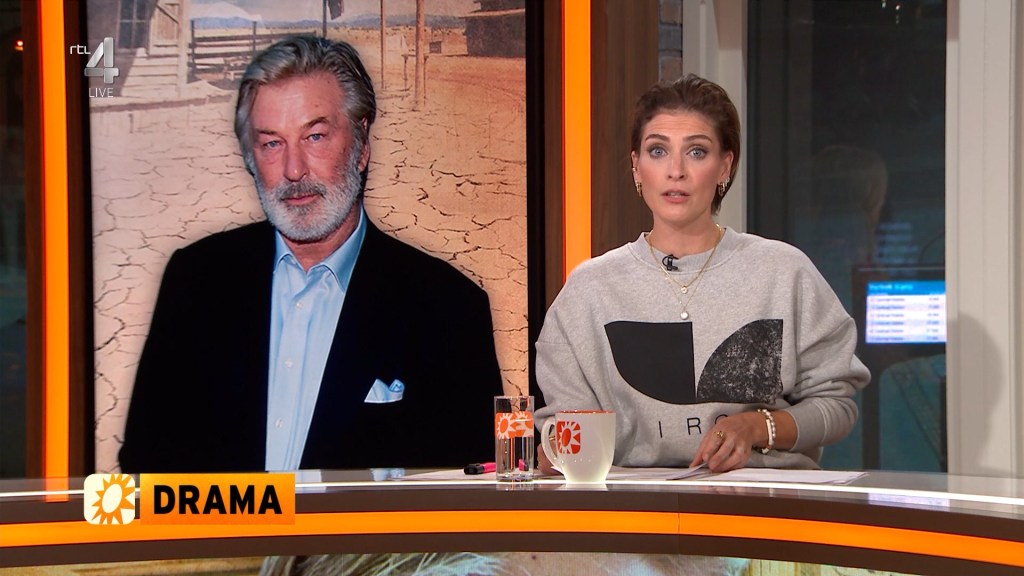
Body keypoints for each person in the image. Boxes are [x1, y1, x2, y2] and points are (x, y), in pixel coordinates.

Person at [119, 36, 503, 473]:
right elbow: (143, 470)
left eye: (315, 136)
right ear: (250, 158)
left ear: (361, 145)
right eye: (271, 143)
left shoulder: (449, 308)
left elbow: (467, 490)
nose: (294, 170)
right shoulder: (194, 280)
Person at [535, 74, 870, 473]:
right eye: (658, 151)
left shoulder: (783, 271)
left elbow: (836, 406)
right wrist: (556, 449)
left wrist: (756, 427)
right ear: (636, 167)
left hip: (762, 499)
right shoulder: (588, 290)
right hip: (632, 504)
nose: (676, 171)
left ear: (725, 166)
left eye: (696, 152)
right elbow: (560, 435)